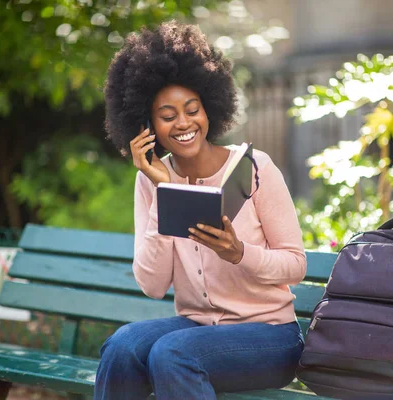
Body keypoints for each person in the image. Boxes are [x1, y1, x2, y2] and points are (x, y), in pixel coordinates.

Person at [94, 20, 307, 400]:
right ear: (147, 125)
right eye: (168, 115)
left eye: (192, 109)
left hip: (271, 337)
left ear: (209, 109)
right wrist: (165, 191)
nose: (184, 123)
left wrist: (240, 254)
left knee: (171, 354)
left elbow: (295, 265)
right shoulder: (150, 180)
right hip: (197, 328)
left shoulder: (255, 168)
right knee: (122, 346)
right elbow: (152, 285)